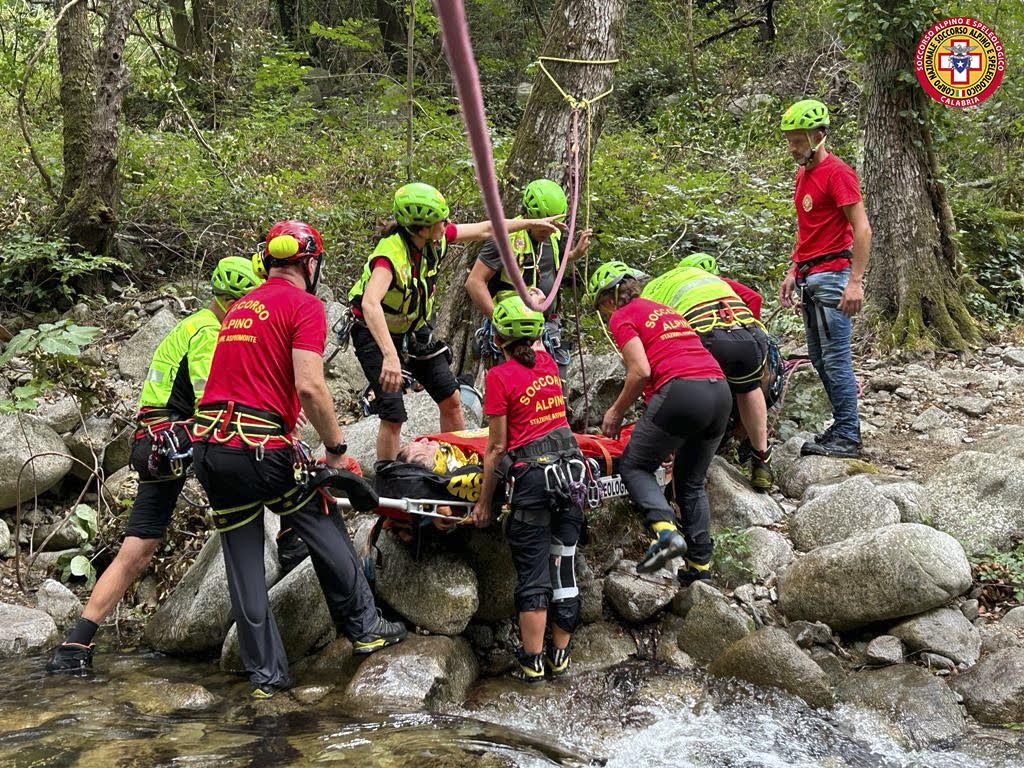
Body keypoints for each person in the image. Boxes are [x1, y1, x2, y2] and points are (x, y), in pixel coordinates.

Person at [191, 220, 406, 698]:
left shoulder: (238, 308)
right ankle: (366, 627)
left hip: (209, 450)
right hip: (258, 447)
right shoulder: (304, 306)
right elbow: (309, 386)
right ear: (310, 263)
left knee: (243, 561)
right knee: (320, 513)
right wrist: (336, 450)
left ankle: (267, 678)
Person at [46, 258, 265, 675]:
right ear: (233, 302)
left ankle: (76, 644)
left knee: (139, 548)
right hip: (182, 441)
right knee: (251, 501)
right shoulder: (208, 332)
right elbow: (213, 401)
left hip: (156, 443)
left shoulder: (189, 324)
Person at [348, 182, 563, 461]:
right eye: (441, 220)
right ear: (422, 228)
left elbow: (487, 229)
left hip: (413, 330)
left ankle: (457, 464)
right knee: (393, 413)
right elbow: (370, 303)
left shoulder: (434, 238)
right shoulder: (390, 255)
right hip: (375, 334)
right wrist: (390, 357)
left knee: (451, 399)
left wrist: (531, 222)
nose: (447, 224)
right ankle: (389, 479)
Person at [590, 261, 731, 584]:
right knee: (690, 481)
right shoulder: (664, 310)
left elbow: (640, 371)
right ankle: (699, 567)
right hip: (718, 391)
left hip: (682, 390)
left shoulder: (622, 316)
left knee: (634, 466)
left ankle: (665, 532)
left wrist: (615, 411)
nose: (603, 312)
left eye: (601, 306)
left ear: (610, 298)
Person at [470, 295, 585, 682]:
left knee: (534, 572)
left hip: (534, 482)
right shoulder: (550, 364)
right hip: (572, 476)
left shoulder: (499, 377)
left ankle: (532, 662)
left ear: (497, 337)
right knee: (563, 568)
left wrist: (485, 503)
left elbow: (498, 447)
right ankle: (561, 656)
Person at [777, 99, 872, 459]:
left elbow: (862, 228)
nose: (792, 147)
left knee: (835, 358)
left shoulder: (838, 173)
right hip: (811, 275)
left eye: (798, 139)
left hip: (834, 276)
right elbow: (808, 232)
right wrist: (792, 270)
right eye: (789, 139)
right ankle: (842, 426)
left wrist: (855, 282)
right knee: (818, 358)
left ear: (818, 135)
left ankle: (848, 433)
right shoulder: (803, 175)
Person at [642, 252, 773, 491]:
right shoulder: (711, 279)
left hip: (708, 336)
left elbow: (653, 354)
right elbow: (753, 297)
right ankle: (761, 460)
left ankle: (686, 468)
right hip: (750, 333)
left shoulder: (650, 293)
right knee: (749, 387)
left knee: (693, 391)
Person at [464, 179, 591, 378]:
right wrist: (498, 320)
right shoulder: (505, 239)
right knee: (517, 391)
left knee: (553, 391)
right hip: (512, 333)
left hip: (547, 327)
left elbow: (546, 268)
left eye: (553, 226)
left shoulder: (553, 238)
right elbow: (474, 282)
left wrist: (574, 255)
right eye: (544, 227)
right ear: (530, 217)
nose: (549, 232)